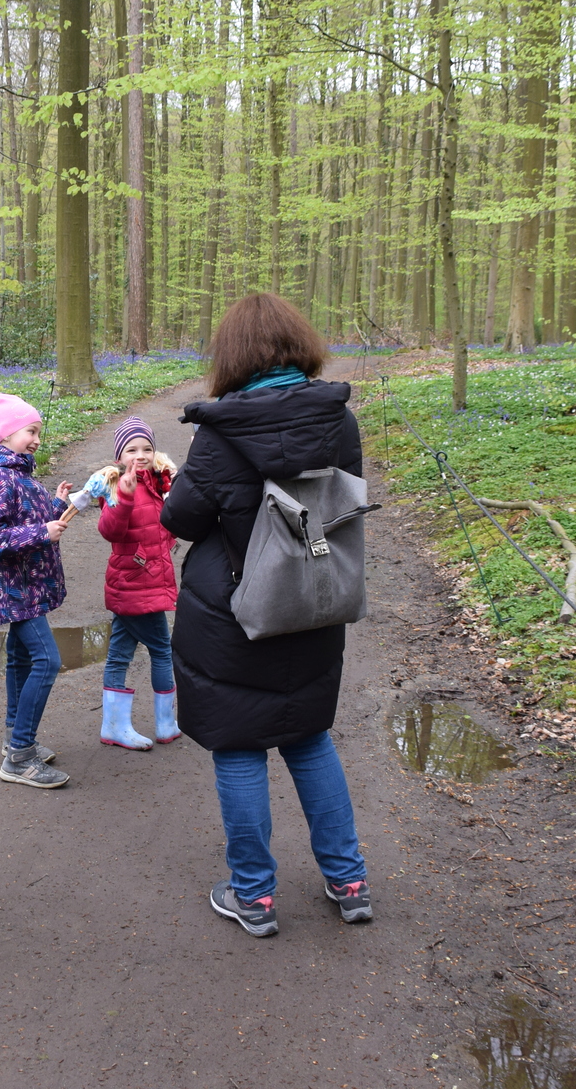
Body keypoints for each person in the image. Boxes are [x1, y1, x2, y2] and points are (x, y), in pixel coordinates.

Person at [159, 292, 373, 937]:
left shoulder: (220, 433)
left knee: (238, 746)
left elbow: (181, 519)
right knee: (309, 736)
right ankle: (349, 880)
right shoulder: (339, 421)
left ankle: (253, 894)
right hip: (312, 598)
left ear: (233, 356)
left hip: (234, 611)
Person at [0, 394, 75, 789]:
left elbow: (23, 520)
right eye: (31, 431)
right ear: (5, 433)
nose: (37, 439)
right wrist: (42, 533)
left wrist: (56, 505)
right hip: (14, 587)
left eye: (38, 432)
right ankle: (20, 756)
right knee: (47, 660)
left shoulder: (15, 471)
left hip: (26, 583)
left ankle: (14, 737)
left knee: (21, 657)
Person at [91, 417, 181, 749]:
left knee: (120, 653)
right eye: (131, 450)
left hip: (144, 579)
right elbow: (110, 531)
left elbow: (164, 526)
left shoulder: (158, 482)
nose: (140, 455)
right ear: (119, 455)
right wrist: (126, 497)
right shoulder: (115, 485)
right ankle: (165, 724)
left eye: (146, 448)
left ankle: (114, 726)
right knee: (162, 650)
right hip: (135, 582)